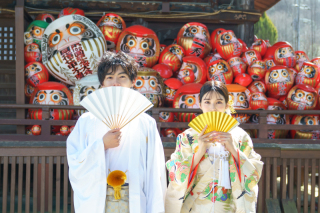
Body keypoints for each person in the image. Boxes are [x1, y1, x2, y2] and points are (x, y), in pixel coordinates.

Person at [67, 51, 166, 213]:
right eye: (110, 77)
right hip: (99, 198)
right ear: (102, 83)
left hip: (134, 196)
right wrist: (101, 145)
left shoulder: (145, 123)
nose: (116, 83)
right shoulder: (87, 121)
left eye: (122, 77)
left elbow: (154, 171)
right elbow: (75, 161)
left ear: (133, 81)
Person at [165, 80, 263, 213]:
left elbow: (254, 173)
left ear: (227, 104)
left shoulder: (240, 136)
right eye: (207, 102)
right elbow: (176, 174)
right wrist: (200, 151)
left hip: (229, 205)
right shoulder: (186, 137)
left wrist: (233, 150)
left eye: (218, 102)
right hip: (197, 205)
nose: (213, 107)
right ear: (199, 104)